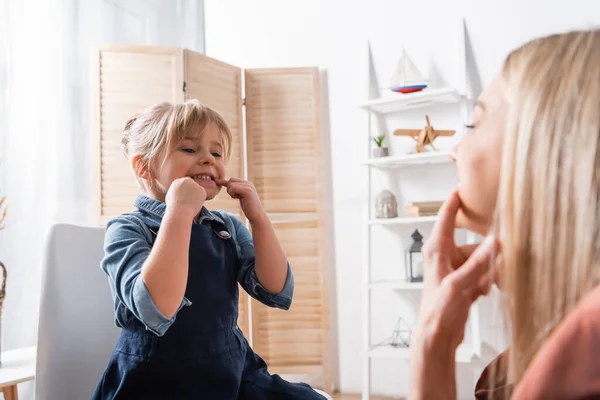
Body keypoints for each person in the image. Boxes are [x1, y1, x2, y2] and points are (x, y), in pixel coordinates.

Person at [408, 28, 600, 400]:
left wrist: (431, 341)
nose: (455, 151)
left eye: (473, 125)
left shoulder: (581, 361)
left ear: (543, 145)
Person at [91, 100, 326, 399]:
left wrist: (258, 218)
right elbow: (156, 305)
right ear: (145, 166)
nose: (208, 160)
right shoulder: (126, 229)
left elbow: (275, 288)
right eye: (189, 149)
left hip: (232, 372)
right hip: (156, 380)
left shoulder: (225, 226)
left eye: (216, 152)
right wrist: (178, 212)